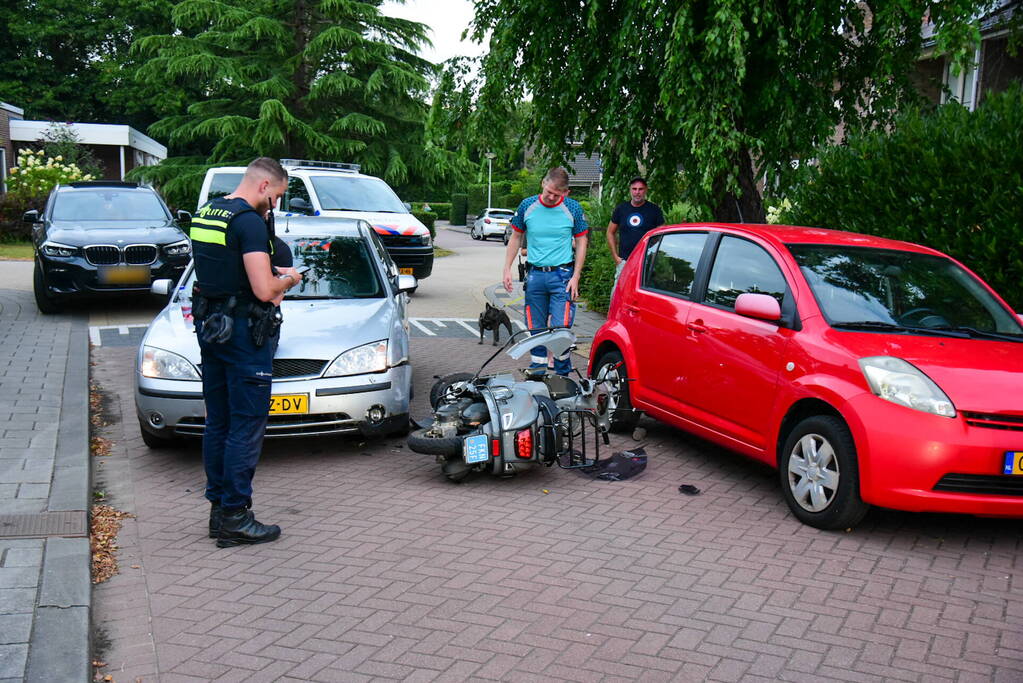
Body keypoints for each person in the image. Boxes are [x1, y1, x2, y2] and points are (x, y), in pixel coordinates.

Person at [190, 157, 302, 547]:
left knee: (218, 421)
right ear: (263, 186)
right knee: (246, 424)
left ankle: (218, 512)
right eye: (276, 197)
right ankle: (237, 516)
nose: (275, 205)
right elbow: (264, 290)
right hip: (243, 336)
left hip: (212, 329)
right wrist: (289, 276)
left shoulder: (209, 213)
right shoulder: (248, 222)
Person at [502, 167, 589, 375]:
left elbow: (581, 240)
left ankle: (562, 375)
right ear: (543, 183)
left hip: (562, 276)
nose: (551, 197)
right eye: (549, 191)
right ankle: (538, 372)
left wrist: (576, 276)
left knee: (561, 329)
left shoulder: (572, 208)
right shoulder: (527, 205)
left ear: (566, 193)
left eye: (557, 194)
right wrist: (506, 268)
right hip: (535, 276)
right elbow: (515, 237)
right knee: (535, 327)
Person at [606, 177, 665, 284]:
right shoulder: (621, 209)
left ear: (646, 190)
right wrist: (615, 257)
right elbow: (610, 232)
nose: (637, 192)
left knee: (644, 295)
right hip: (625, 261)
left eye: (640, 189)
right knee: (619, 293)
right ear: (630, 190)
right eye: (634, 189)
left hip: (646, 262)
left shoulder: (654, 210)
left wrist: (652, 253)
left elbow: (661, 234)